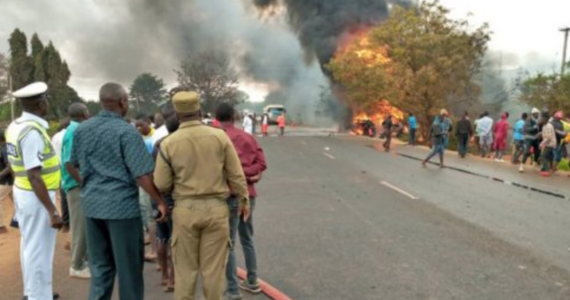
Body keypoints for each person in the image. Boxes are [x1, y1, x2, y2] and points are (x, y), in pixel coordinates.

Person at [70, 83, 168, 300]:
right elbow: (142, 174)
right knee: (129, 271)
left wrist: (90, 184)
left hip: (92, 207)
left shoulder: (83, 129)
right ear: (123, 102)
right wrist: (159, 201)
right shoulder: (126, 132)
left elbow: (73, 163)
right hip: (122, 209)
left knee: (100, 269)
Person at [154, 91, 249, 300]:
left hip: (184, 211)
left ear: (177, 115)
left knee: (185, 272)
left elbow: (161, 183)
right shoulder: (219, 136)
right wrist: (244, 201)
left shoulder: (168, 143)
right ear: (199, 111)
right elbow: (236, 175)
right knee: (213, 272)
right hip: (216, 210)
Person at [6, 82, 63, 300]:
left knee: (29, 245)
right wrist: (52, 211)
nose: (47, 103)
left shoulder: (15, 125)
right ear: (40, 104)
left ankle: (34, 292)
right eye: (45, 100)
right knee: (40, 249)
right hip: (37, 194)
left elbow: (14, 165)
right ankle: (39, 296)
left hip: (25, 191)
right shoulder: (31, 132)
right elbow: (34, 175)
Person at [216, 103, 267, 300]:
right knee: (247, 239)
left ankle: (233, 290)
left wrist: (235, 175)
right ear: (235, 117)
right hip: (247, 194)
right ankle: (252, 281)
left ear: (217, 119)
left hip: (226, 196)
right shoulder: (248, 137)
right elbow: (262, 164)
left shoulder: (215, 139)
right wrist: (246, 176)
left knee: (228, 243)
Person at [61, 103, 91, 279]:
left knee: (83, 224)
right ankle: (76, 265)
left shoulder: (76, 129)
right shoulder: (74, 132)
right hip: (75, 185)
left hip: (77, 183)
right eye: (87, 110)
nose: (89, 112)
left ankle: (84, 260)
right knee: (79, 226)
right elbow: (68, 162)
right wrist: (83, 181)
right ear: (82, 114)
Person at [152, 114, 180, 293]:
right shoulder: (178, 144)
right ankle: (173, 279)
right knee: (175, 239)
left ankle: (163, 275)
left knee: (162, 237)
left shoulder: (158, 144)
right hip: (172, 195)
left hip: (156, 194)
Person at [135, 114, 158, 261]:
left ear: (149, 123)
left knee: (151, 214)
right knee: (145, 210)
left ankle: (155, 251)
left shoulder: (154, 139)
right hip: (143, 180)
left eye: (141, 125)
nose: (138, 128)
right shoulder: (138, 137)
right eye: (136, 126)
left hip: (149, 180)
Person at [52, 120, 71, 233]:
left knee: (63, 197)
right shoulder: (69, 134)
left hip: (59, 168)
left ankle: (66, 223)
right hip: (71, 168)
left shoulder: (55, 136)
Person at [0, 131, 14, 234]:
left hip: (7, 181)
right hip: (11, 181)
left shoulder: (5, 149)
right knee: (18, 202)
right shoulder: (6, 147)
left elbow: (10, 167)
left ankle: (1, 227)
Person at [540, 112, 557, 176]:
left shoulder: (549, 126)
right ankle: (545, 169)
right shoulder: (544, 126)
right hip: (547, 143)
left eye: (542, 118)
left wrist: (542, 143)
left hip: (550, 144)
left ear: (546, 119)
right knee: (547, 156)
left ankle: (546, 170)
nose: (540, 119)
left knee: (543, 156)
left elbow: (548, 137)